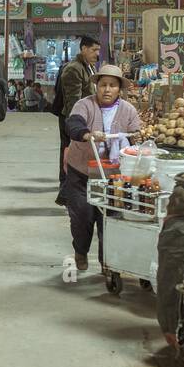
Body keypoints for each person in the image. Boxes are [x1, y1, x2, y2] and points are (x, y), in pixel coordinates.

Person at [61, 65, 140, 272]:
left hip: (113, 176)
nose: (107, 89)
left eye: (112, 85)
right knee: (82, 216)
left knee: (110, 219)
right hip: (82, 173)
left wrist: (135, 139)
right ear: (96, 86)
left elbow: (136, 135)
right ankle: (80, 251)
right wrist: (86, 134)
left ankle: (108, 262)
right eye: (103, 84)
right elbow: (74, 124)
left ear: (119, 89)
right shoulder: (84, 105)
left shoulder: (128, 110)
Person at [52, 35, 100, 204]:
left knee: (76, 156)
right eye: (94, 50)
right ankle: (65, 194)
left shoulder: (89, 67)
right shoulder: (74, 69)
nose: (97, 53)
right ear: (83, 49)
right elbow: (74, 102)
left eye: (98, 50)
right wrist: (77, 126)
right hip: (72, 120)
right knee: (68, 155)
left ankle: (70, 193)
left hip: (83, 120)